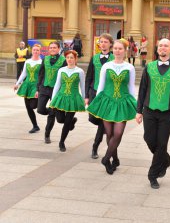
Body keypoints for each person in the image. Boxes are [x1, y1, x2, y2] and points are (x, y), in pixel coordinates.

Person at [136, 38, 170, 189]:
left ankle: (153, 175)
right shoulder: (149, 67)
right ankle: (165, 159)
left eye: (167, 46)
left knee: (162, 143)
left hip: (167, 112)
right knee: (149, 139)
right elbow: (142, 89)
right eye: (161, 45)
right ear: (158, 49)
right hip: (149, 110)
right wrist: (139, 111)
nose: (163, 48)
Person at [87, 39, 137, 174]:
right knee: (109, 134)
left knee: (118, 133)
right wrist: (97, 103)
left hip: (123, 102)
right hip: (107, 101)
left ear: (125, 50)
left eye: (120, 49)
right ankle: (114, 159)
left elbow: (131, 86)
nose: (117, 51)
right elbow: (101, 85)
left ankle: (106, 158)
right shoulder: (106, 66)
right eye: (115, 48)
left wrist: (135, 105)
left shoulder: (130, 67)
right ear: (112, 49)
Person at [85, 33, 115, 159]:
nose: (103, 44)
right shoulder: (94, 58)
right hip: (94, 91)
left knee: (102, 121)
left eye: (105, 42)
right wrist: (86, 95)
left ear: (110, 44)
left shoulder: (114, 58)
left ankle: (95, 147)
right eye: (101, 41)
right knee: (92, 118)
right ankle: (103, 128)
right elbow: (89, 77)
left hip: (107, 94)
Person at [50, 50, 85, 152]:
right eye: (68, 58)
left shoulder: (80, 71)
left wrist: (83, 99)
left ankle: (61, 142)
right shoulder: (61, 70)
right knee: (60, 119)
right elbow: (57, 84)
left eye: (71, 58)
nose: (69, 60)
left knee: (67, 122)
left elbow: (82, 86)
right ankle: (72, 122)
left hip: (73, 98)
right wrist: (53, 98)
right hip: (61, 97)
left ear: (75, 59)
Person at [36, 41, 68, 144]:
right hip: (44, 88)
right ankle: (51, 112)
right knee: (40, 109)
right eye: (51, 48)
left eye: (54, 48)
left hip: (56, 90)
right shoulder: (45, 59)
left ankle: (47, 134)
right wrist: (38, 88)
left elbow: (65, 76)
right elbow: (41, 73)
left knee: (52, 115)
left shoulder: (63, 60)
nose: (52, 49)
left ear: (59, 49)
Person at [14, 44, 42, 133]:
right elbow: (24, 74)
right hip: (27, 85)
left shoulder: (42, 62)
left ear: (40, 51)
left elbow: (42, 76)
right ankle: (35, 125)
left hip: (36, 85)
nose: (35, 51)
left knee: (33, 105)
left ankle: (44, 107)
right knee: (28, 107)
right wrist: (17, 83)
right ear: (32, 51)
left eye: (37, 50)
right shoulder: (28, 61)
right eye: (34, 50)